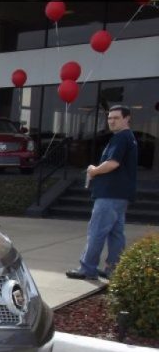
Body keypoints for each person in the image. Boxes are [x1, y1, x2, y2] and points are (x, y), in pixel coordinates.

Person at [66, 105, 138, 280]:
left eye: (116, 118)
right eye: (110, 118)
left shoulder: (121, 138)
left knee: (97, 231)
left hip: (110, 194)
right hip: (120, 195)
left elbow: (113, 163)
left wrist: (94, 170)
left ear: (127, 118)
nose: (112, 121)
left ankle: (87, 269)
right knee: (116, 234)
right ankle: (114, 269)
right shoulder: (129, 138)